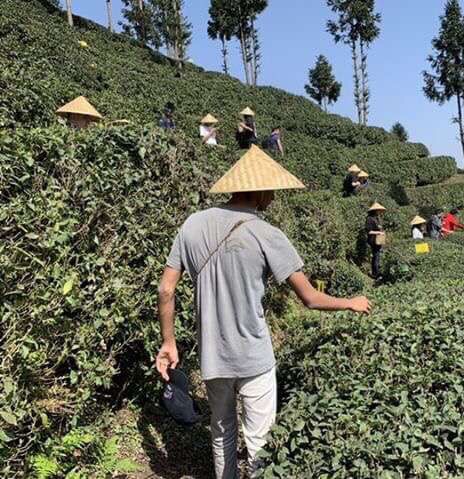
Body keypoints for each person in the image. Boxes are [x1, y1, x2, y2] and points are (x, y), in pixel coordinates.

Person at [155, 145, 371, 479]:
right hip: (254, 356)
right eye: (271, 190)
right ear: (258, 190)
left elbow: (166, 288)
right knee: (259, 441)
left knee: (222, 429)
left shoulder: (193, 225)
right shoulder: (268, 234)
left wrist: (168, 343)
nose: (273, 197)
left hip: (213, 355)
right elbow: (310, 298)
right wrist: (351, 303)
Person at [366, 202, 386, 279]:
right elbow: (369, 231)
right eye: (378, 210)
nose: (379, 212)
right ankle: (375, 273)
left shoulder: (377, 218)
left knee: (377, 256)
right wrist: (378, 232)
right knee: (376, 256)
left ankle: (376, 272)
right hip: (373, 240)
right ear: (374, 210)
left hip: (378, 240)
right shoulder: (369, 219)